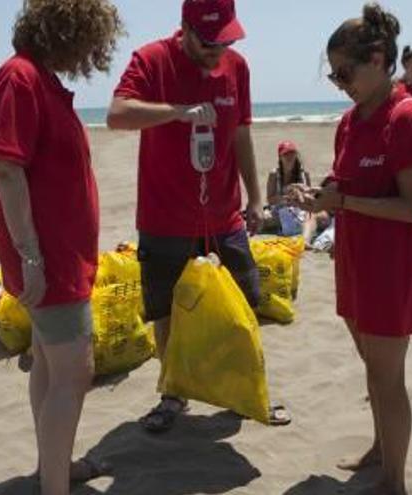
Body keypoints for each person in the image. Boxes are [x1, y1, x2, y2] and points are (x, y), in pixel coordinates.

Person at [108, 0, 289, 432]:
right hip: (163, 217)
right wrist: (177, 112)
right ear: (185, 29)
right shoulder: (152, 60)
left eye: (225, 41)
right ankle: (173, 395)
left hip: (225, 216)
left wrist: (256, 198)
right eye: (209, 42)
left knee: (244, 305)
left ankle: (244, 392)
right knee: (168, 311)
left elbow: (242, 131)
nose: (216, 51)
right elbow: (117, 115)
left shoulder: (237, 68)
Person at [286, 4, 412, 494]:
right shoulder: (350, 121)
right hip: (354, 259)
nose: (339, 82)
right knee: (371, 369)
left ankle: (394, 481)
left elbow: (411, 208)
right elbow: (346, 183)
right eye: (333, 75)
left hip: (393, 268)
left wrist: (345, 199)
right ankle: (380, 449)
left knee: (388, 377)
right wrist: (322, 196)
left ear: (378, 59)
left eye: (345, 72)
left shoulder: (408, 118)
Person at [0, 1, 123, 494]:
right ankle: (55, 486)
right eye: (88, 41)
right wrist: (30, 257)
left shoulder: (38, 79)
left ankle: (53, 469)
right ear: (68, 32)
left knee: (48, 363)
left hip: (60, 257)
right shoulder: (20, 79)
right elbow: (7, 169)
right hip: (49, 261)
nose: (89, 53)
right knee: (74, 372)